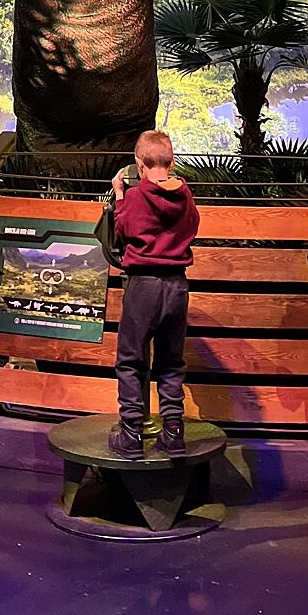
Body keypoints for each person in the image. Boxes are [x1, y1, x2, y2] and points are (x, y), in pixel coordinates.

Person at [109, 128, 200, 459]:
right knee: (171, 362)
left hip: (143, 285)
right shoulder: (186, 196)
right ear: (172, 162)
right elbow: (192, 227)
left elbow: (122, 231)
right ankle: (173, 432)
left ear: (139, 163)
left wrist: (120, 196)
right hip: (176, 286)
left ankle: (131, 435)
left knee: (131, 360)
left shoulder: (135, 197)